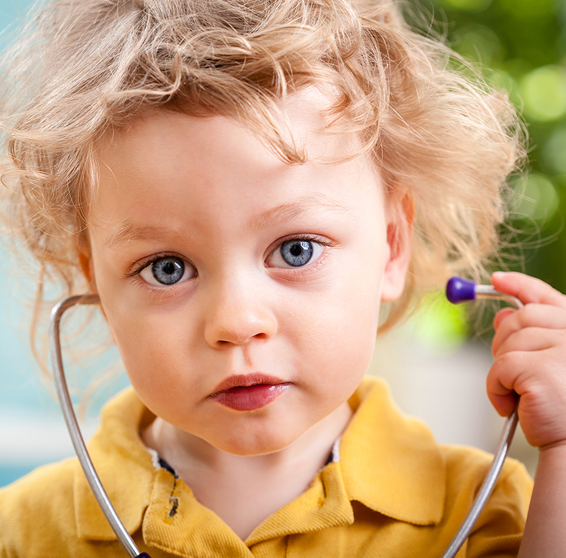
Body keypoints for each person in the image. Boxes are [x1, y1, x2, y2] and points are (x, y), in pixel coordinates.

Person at [0, 0, 565, 556]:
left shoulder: (486, 513)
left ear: (392, 245)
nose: (236, 322)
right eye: (166, 268)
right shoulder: (21, 532)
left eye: (295, 250)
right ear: (93, 276)